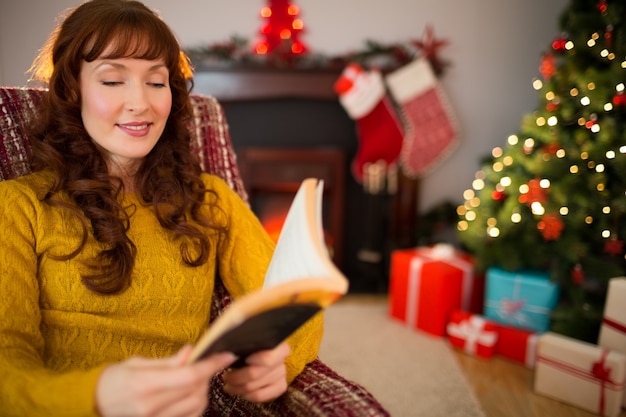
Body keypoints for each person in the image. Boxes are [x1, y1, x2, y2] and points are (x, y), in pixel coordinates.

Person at [0, 1, 323, 416]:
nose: (141, 103)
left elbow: (290, 300)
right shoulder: (19, 206)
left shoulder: (209, 200)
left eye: (156, 82)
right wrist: (95, 395)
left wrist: (282, 361)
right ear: (71, 90)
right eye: (113, 80)